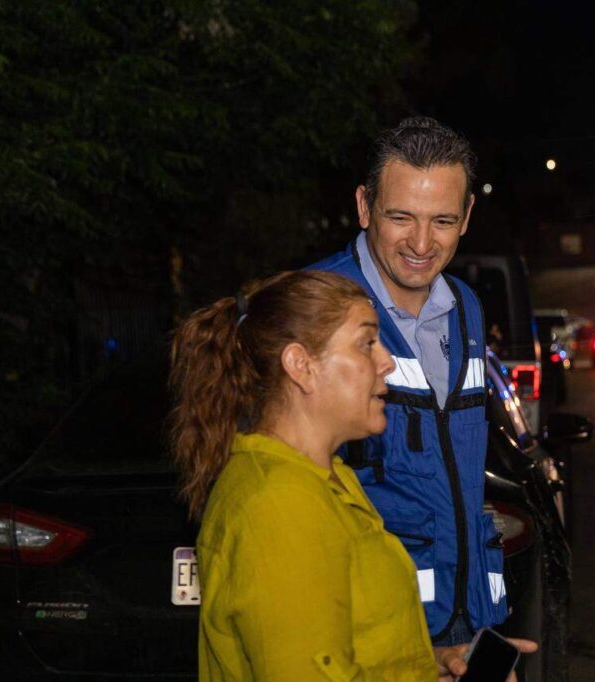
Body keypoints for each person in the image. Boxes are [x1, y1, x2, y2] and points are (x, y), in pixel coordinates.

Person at [310, 117, 538, 665]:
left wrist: (474, 634)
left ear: (466, 219)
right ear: (365, 208)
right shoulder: (315, 307)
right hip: (370, 640)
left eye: (441, 220)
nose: (420, 243)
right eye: (400, 217)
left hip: (468, 632)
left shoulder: (466, 308)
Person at [168, 270, 443, 681]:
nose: (387, 362)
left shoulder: (328, 478)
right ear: (301, 365)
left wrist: (427, 667)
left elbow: (342, 648)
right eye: (367, 343)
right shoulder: (278, 506)